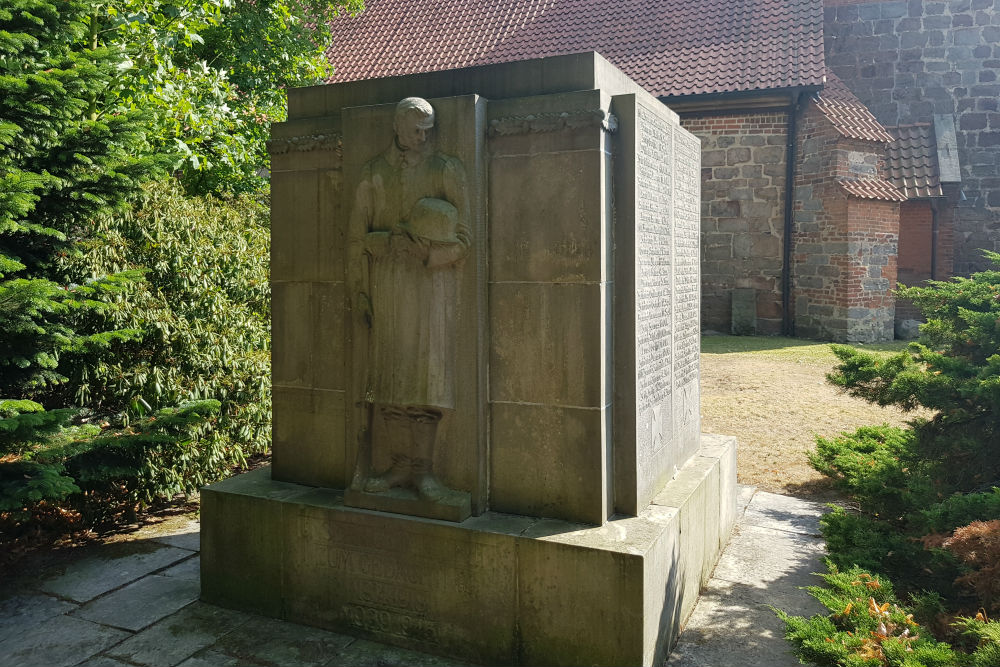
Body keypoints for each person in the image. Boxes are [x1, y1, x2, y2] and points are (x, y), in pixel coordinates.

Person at [348, 97, 470, 502]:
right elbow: (356, 238)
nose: (424, 136)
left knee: (428, 381)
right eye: (417, 128)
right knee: (390, 380)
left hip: (433, 289)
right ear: (397, 126)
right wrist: (362, 289)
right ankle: (399, 467)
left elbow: (466, 240)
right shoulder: (373, 173)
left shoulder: (445, 169)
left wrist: (430, 254)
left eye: (429, 129)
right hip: (388, 286)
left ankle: (425, 472)